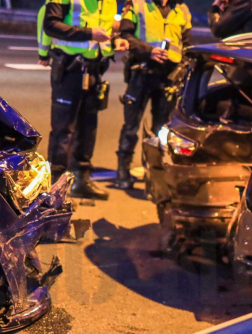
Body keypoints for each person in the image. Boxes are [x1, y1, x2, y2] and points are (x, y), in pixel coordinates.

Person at [40, 0, 117, 200]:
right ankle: (55, 187)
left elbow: (105, 32)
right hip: (69, 69)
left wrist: (116, 43)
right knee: (63, 130)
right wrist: (90, 34)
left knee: (88, 128)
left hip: (94, 70)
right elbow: (50, 25)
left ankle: (81, 181)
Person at [113, 0, 192, 190]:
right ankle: (122, 173)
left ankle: (154, 173)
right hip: (141, 73)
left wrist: (184, 69)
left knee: (161, 129)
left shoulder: (182, 8)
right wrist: (149, 52)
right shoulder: (138, 4)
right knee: (131, 126)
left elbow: (187, 44)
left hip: (168, 77)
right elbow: (124, 36)